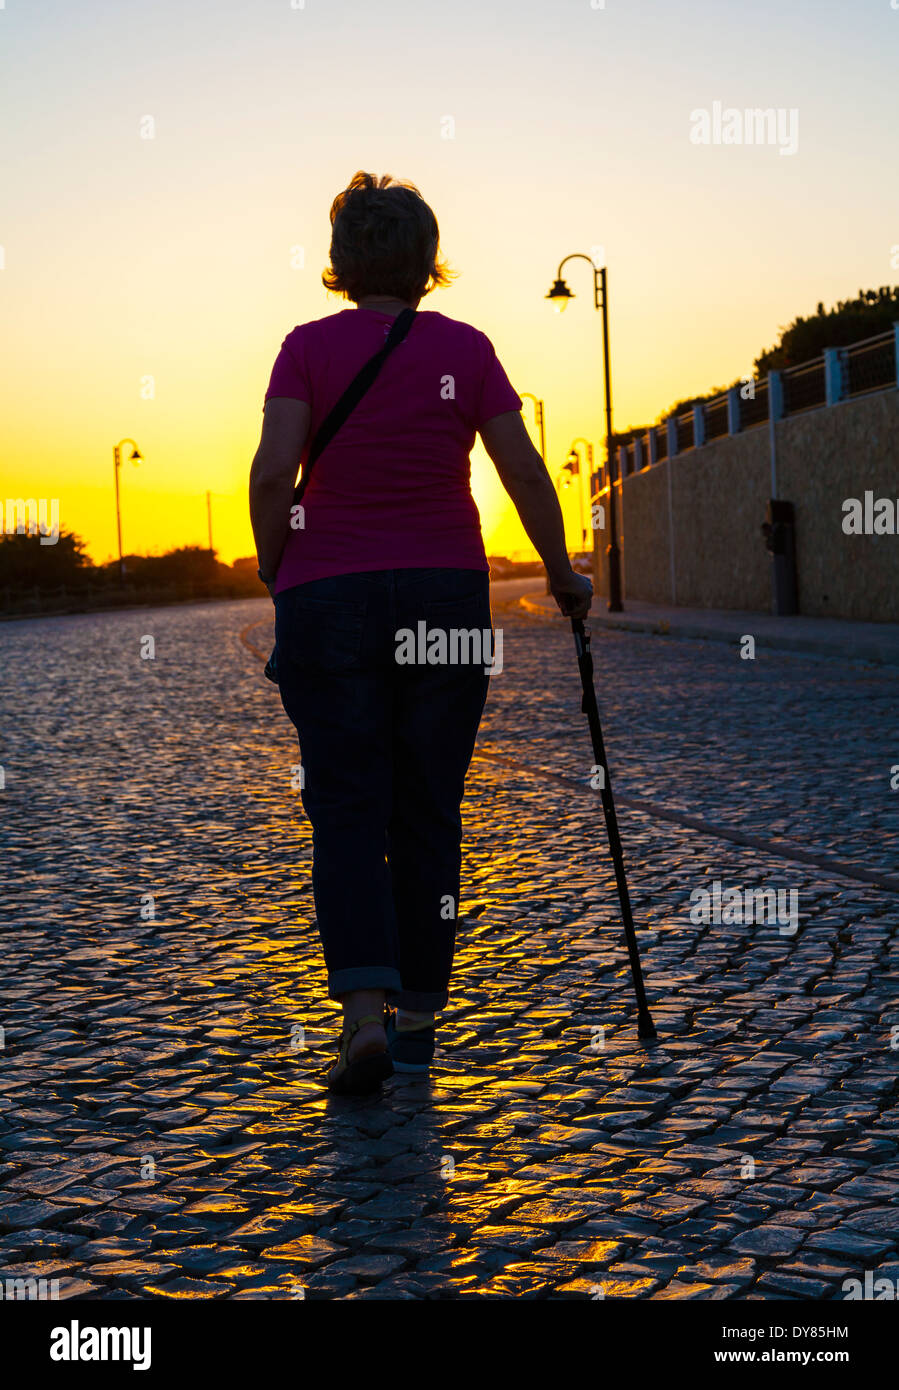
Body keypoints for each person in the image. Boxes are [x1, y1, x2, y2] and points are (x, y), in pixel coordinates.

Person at [249, 170, 592, 1094]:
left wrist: (278, 569)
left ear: (340, 261)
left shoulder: (305, 349)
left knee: (346, 809)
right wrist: (561, 573)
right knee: (429, 810)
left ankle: (362, 1013)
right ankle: (420, 1023)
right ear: (427, 260)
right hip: (445, 597)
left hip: (329, 597)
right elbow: (520, 470)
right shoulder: (467, 349)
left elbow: (273, 469)